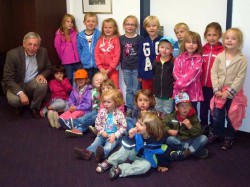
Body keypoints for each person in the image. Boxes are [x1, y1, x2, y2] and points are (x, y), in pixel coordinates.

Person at [96, 112, 173, 180]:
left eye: (141, 124)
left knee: (146, 166)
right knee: (124, 149)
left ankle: (120, 169)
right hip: (134, 153)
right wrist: (130, 137)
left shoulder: (156, 142)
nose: (136, 124)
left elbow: (165, 151)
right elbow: (126, 147)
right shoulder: (137, 134)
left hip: (145, 160)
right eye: (138, 122)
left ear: (150, 129)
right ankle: (109, 162)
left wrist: (164, 165)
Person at [209, 28, 248, 150]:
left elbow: (240, 78)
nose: (229, 40)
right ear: (224, 40)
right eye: (227, 38)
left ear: (239, 41)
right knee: (217, 116)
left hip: (233, 94)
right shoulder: (220, 56)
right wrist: (216, 89)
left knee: (232, 116)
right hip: (219, 93)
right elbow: (213, 72)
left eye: (233, 38)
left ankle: (229, 137)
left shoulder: (242, 60)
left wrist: (229, 92)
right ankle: (216, 133)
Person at [3, 32, 51, 119]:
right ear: (24, 44)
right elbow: (7, 78)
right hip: (16, 84)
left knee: (43, 84)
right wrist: (20, 93)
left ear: (39, 46)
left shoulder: (43, 52)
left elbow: (48, 68)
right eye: (29, 44)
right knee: (14, 100)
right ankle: (19, 106)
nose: (32, 48)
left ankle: (34, 107)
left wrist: (42, 75)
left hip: (32, 83)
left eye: (35, 45)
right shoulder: (13, 55)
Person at [74, 89, 127, 163]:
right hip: (102, 134)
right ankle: (87, 153)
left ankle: (101, 155)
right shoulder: (102, 112)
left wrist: (115, 135)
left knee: (108, 146)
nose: (106, 104)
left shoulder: (120, 114)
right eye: (104, 101)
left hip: (112, 137)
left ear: (115, 102)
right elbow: (97, 123)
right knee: (95, 143)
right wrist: (102, 131)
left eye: (108, 102)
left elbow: (123, 127)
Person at [163, 92, 209, 160]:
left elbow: (199, 133)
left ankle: (184, 154)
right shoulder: (171, 116)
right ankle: (194, 151)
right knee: (170, 139)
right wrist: (169, 130)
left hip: (190, 140)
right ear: (176, 108)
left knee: (204, 138)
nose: (185, 108)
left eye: (187, 105)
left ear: (190, 107)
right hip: (180, 141)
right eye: (182, 106)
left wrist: (190, 127)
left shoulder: (193, 117)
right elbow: (163, 125)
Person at [63, 72, 107, 137]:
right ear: (93, 82)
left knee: (91, 119)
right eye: (97, 80)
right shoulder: (93, 91)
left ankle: (75, 123)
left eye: (101, 80)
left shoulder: (106, 91)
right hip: (95, 110)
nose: (99, 82)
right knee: (87, 117)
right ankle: (78, 129)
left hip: (103, 112)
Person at [200, 22, 224, 134]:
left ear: (220, 35)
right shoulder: (202, 49)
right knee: (203, 107)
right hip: (202, 85)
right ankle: (203, 125)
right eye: (209, 35)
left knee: (213, 108)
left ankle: (213, 128)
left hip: (215, 86)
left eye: (215, 35)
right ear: (205, 35)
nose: (212, 37)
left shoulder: (223, 50)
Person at [173, 31, 204, 111]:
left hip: (193, 90)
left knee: (192, 111)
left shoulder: (199, 59)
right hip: (179, 91)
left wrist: (181, 85)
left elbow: (194, 74)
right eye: (188, 42)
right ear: (184, 43)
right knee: (179, 111)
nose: (191, 45)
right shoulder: (179, 58)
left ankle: (192, 124)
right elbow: (175, 72)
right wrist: (181, 87)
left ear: (198, 45)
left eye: (194, 43)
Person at [120, 15, 144, 117]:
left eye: (133, 24)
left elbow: (143, 55)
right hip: (125, 68)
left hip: (136, 68)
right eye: (128, 24)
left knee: (137, 90)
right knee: (129, 89)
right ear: (124, 25)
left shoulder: (140, 38)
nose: (130, 26)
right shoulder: (120, 38)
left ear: (136, 26)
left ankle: (137, 108)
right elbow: (119, 53)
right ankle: (129, 108)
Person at [54, 13, 82, 85]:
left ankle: (81, 93)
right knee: (69, 78)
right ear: (64, 22)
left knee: (81, 77)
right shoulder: (59, 35)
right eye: (68, 21)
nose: (70, 23)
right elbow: (58, 48)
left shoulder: (75, 33)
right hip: (67, 62)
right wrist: (64, 58)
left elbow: (79, 46)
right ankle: (69, 95)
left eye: (72, 22)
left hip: (78, 61)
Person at [153, 36, 175, 119]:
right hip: (157, 92)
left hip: (168, 93)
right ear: (158, 48)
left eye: (167, 48)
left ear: (172, 50)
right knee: (158, 108)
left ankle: (166, 126)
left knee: (167, 110)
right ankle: (158, 124)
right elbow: (154, 74)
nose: (164, 50)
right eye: (162, 47)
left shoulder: (173, 62)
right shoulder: (156, 61)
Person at [138, 16, 162, 93]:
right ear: (145, 28)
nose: (151, 28)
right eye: (148, 26)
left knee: (157, 95)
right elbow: (141, 58)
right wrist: (140, 75)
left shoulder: (163, 40)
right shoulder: (143, 41)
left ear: (158, 27)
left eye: (154, 26)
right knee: (147, 95)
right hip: (146, 74)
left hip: (159, 75)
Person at [95, 18, 121, 89]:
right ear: (103, 28)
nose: (107, 29)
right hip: (102, 69)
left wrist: (109, 69)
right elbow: (96, 54)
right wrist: (100, 67)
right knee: (101, 88)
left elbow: (117, 56)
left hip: (113, 69)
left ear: (114, 28)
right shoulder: (100, 40)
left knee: (114, 88)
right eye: (105, 27)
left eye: (110, 27)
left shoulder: (116, 40)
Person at [77, 12, 101, 82]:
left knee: (97, 83)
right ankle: (89, 93)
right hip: (86, 65)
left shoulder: (99, 34)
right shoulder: (80, 36)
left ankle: (97, 93)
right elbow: (79, 49)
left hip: (97, 65)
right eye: (88, 21)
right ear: (84, 22)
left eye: (93, 21)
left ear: (96, 23)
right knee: (88, 83)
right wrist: (83, 59)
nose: (91, 23)